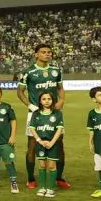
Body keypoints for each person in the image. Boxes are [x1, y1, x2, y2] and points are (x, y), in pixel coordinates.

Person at [17, 44, 68, 190]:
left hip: (54, 113)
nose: (47, 54)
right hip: (35, 114)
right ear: (36, 55)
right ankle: (31, 178)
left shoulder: (56, 71)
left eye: (49, 52)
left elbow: (60, 88)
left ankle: (58, 177)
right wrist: (31, 106)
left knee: (59, 145)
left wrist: (61, 101)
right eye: (43, 52)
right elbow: (20, 92)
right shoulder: (29, 72)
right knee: (32, 146)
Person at [28, 91, 65, 198]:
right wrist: (39, 141)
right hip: (40, 144)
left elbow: (59, 129)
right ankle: (42, 187)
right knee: (42, 165)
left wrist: (52, 142)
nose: (46, 101)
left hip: (53, 144)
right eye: (44, 99)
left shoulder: (57, 113)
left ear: (53, 100)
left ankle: (51, 188)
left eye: (49, 99)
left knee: (52, 166)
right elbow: (32, 129)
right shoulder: (36, 113)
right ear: (40, 101)